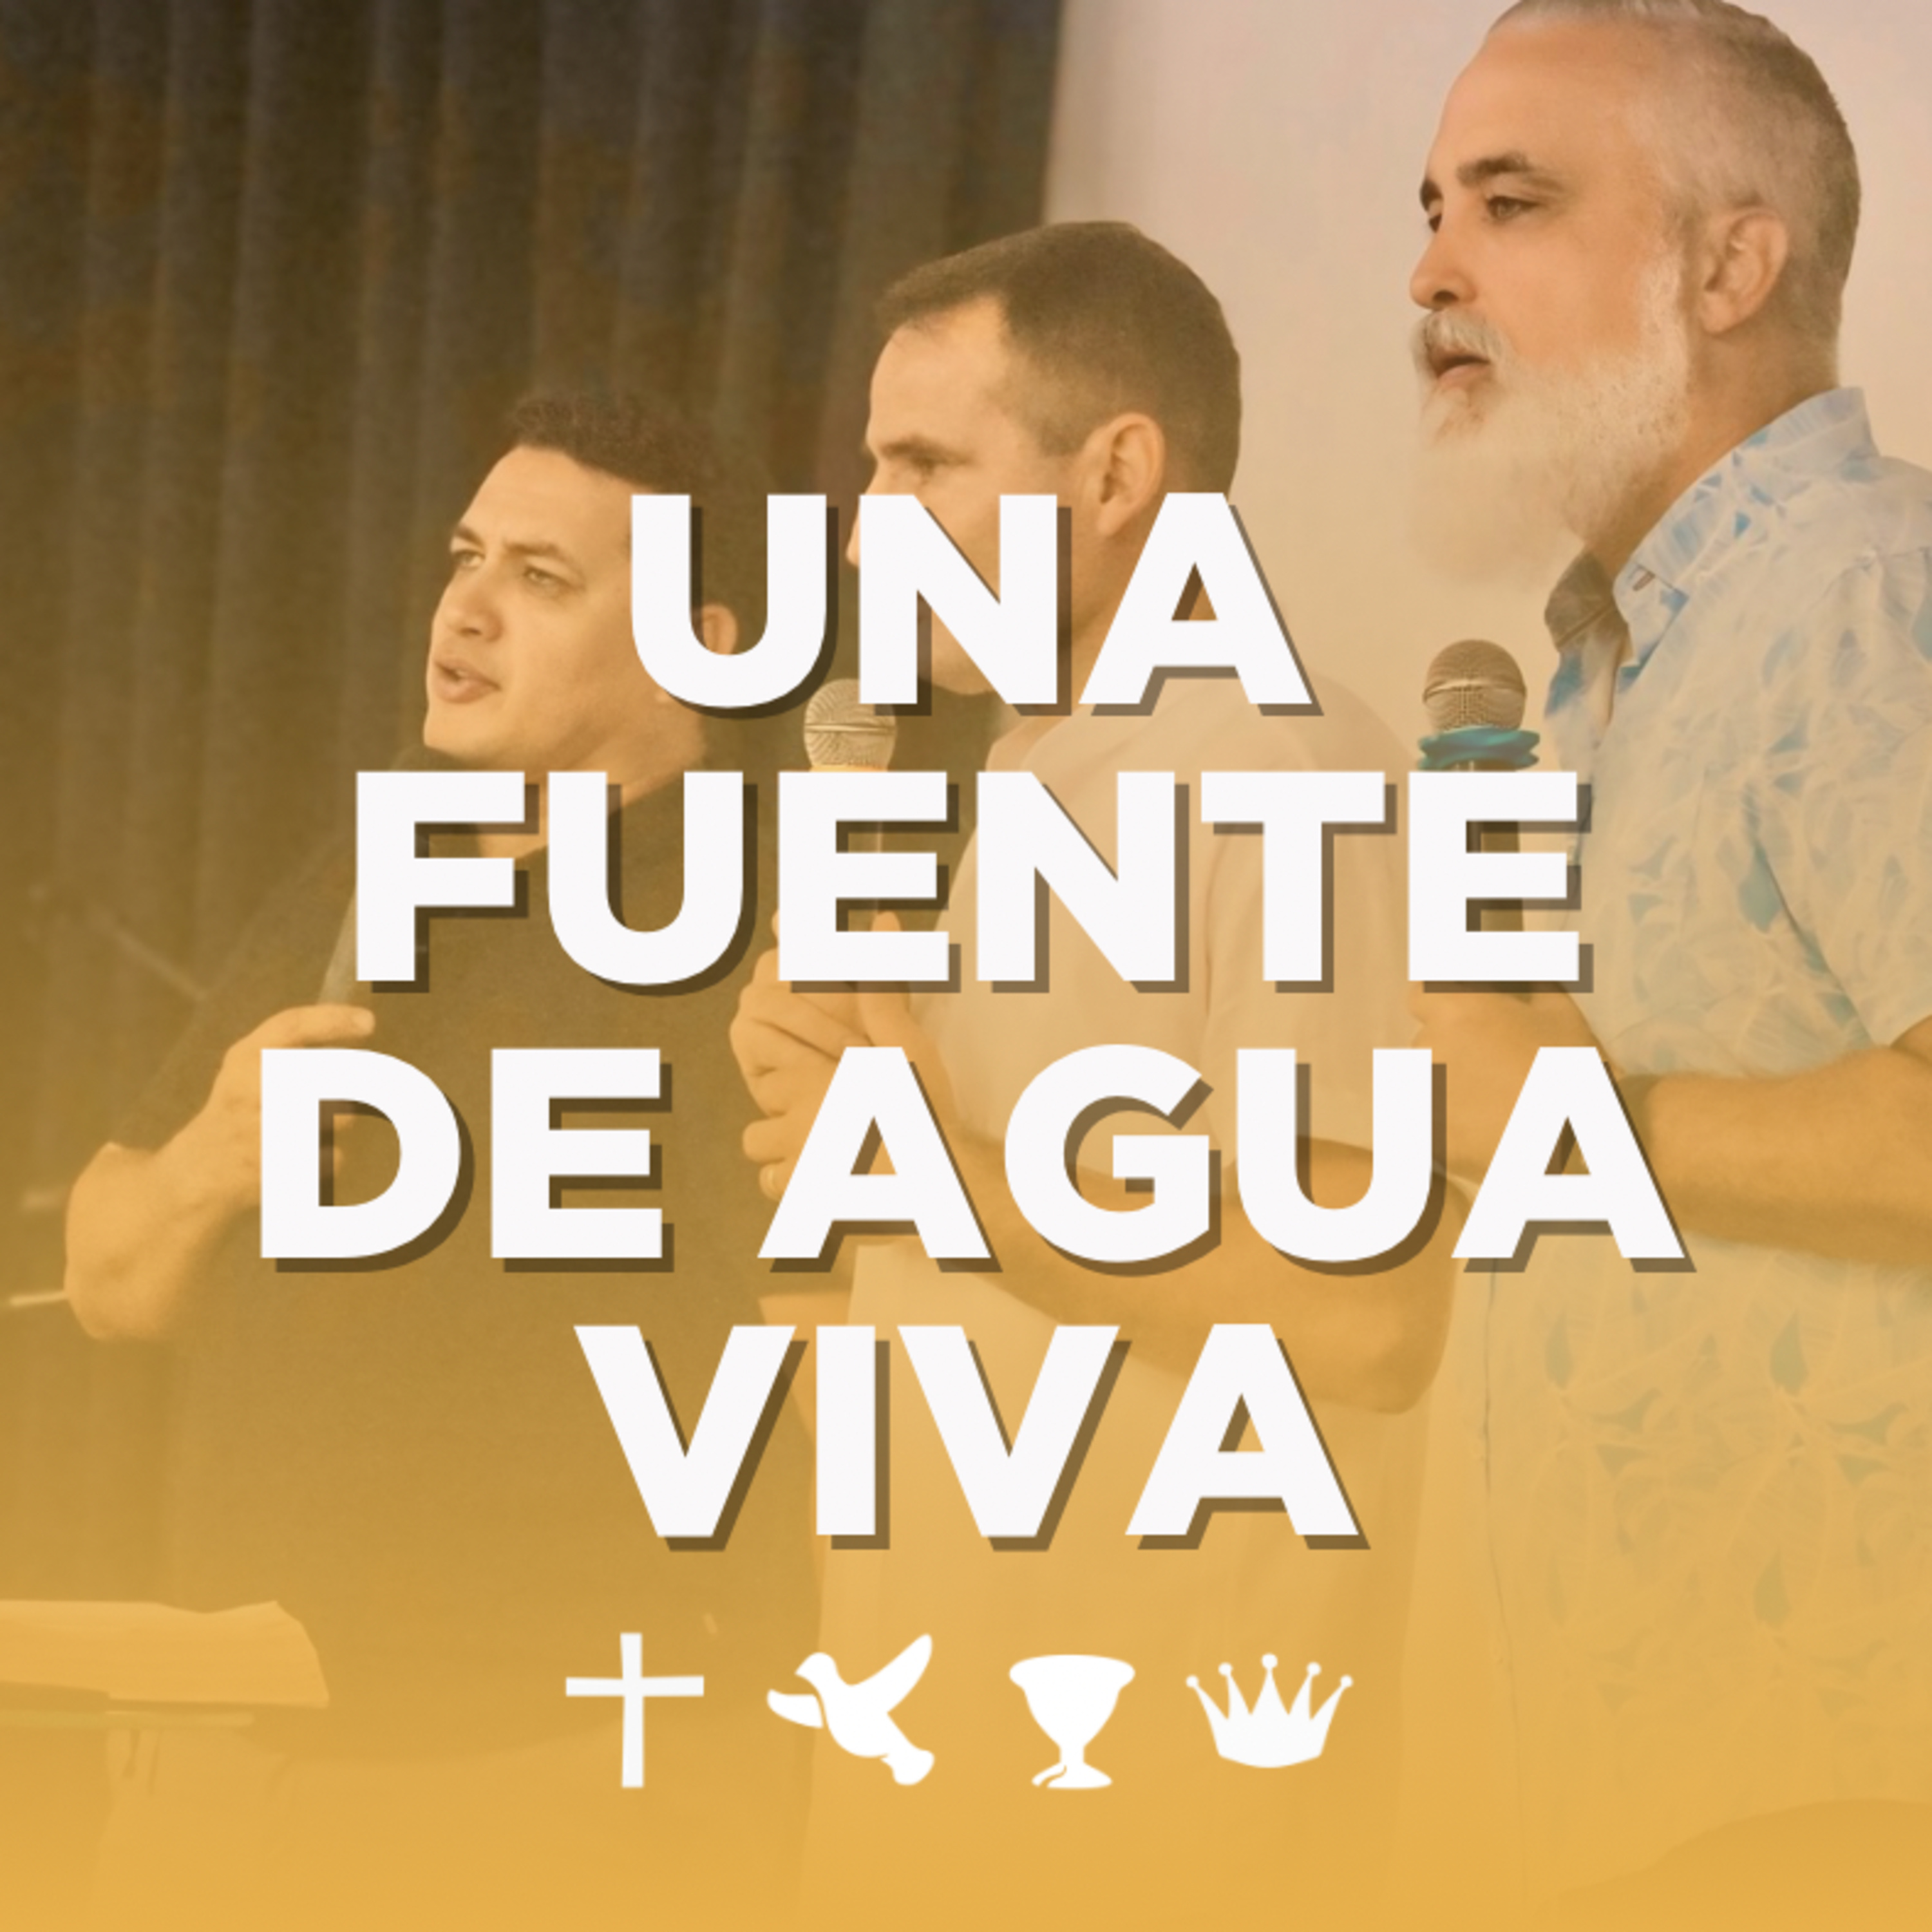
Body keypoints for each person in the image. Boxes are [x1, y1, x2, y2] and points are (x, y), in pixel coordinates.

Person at [732, 222, 1466, 1928]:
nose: (866, 527)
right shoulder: (1036, 778)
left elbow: (1369, 1317)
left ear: (1117, 475)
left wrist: (942, 1185)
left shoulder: (1278, 766)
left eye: (926, 465)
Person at [62, 392, 813, 1929]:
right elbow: (103, 1278)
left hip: (552, 1784)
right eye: (467, 558)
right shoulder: (373, 864)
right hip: (223, 1762)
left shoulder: (778, 916)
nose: (463, 611)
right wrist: (213, 1160)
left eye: (542, 579)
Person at [1406, 2, 1932, 1920]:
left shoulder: (1868, 594)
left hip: (1835, 1801)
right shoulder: (1590, 679)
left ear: (1730, 266)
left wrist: (1574, 1125)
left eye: (1513, 202)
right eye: (1431, 210)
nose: (1431, 273)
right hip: (1620, 1801)